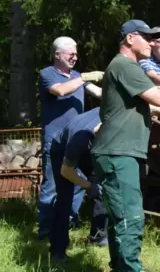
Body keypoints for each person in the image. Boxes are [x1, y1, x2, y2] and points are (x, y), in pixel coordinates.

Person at [90, 19, 160, 272]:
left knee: (118, 218)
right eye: (146, 37)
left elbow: (126, 105)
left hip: (116, 151)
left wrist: (153, 112)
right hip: (118, 152)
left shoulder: (122, 67)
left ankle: (120, 268)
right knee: (131, 218)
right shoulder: (126, 65)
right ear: (130, 39)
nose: (152, 42)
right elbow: (158, 94)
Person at [37, 36, 104, 240]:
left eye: (76, 54)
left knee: (79, 183)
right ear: (57, 55)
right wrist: (83, 78)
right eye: (70, 54)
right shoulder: (47, 74)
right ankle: (46, 230)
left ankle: (66, 222)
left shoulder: (77, 76)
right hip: (54, 140)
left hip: (78, 139)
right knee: (52, 186)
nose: (75, 57)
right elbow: (60, 90)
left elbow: (99, 93)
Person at [49, 107, 107, 262]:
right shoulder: (80, 139)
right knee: (65, 197)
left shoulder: (115, 114)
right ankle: (57, 250)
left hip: (91, 146)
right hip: (61, 148)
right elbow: (66, 171)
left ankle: (98, 237)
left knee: (102, 186)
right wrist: (88, 186)